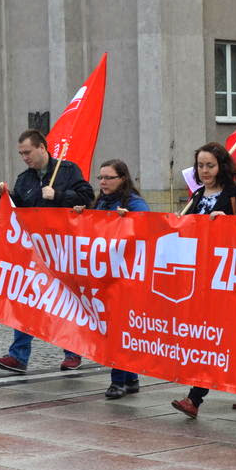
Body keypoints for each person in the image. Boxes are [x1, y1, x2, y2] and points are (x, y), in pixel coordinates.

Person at [170, 142, 236, 418]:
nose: (204, 171)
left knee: (221, 337)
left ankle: (195, 398)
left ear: (222, 166)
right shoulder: (197, 196)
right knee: (214, 337)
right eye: (200, 165)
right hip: (201, 277)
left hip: (229, 277)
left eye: (210, 165)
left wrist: (228, 223)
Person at [0, 129, 94, 373]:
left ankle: (72, 351)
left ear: (42, 148)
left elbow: (87, 197)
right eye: (21, 153)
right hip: (34, 250)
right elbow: (18, 209)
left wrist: (58, 195)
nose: (24, 157)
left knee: (65, 300)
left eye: (27, 152)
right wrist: (6, 196)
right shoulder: (24, 178)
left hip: (62, 248)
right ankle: (18, 356)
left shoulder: (68, 170)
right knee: (26, 299)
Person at [73, 159, 149, 399]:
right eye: (101, 178)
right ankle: (131, 378)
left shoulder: (134, 203)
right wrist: (82, 216)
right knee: (116, 329)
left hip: (125, 278)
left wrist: (131, 220)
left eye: (108, 178)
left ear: (122, 179)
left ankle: (118, 382)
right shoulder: (100, 203)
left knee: (118, 329)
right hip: (105, 276)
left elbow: (148, 227)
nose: (103, 182)